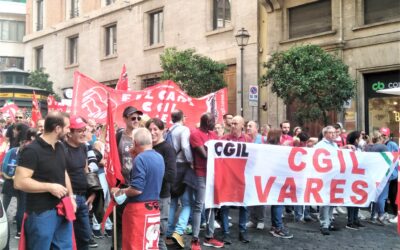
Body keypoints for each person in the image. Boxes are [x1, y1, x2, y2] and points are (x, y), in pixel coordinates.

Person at [14, 111, 77, 250]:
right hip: (41, 213)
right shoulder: (31, 150)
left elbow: (63, 172)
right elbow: (19, 182)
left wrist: (71, 197)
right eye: (67, 127)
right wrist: (49, 187)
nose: (69, 131)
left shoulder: (60, 146)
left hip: (62, 208)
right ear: (58, 128)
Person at [111, 128, 165, 250]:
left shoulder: (140, 159)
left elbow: (137, 189)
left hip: (138, 210)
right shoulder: (159, 157)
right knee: (150, 246)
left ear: (135, 143)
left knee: (135, 245)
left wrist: (120, 191)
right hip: (154, 208)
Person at [190, 113, 224, 250]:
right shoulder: (195, 134)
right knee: (199, 205)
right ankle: (195, 240)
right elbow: (204, 155)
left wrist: (209, 149)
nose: (214, 123)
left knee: (212, 206)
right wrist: (211, 150)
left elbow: (218, 152)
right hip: (201, 173)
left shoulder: (213, 135)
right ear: (205, 121)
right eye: (212, 121)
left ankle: (209, 237)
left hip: (213, 173)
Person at [64, 116, 97, 249]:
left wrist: (93, 192)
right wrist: (68, 197)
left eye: (84, 130)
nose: (84, 133)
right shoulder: (61, 148)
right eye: (79, 130)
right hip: (67, 200)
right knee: (66, 239)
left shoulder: (84, 147)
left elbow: (86, 170)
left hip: (83, 198)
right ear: (69, 133)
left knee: (85, 237)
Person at [113, 106, 143, 249]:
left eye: (138, 118)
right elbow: (113, 158)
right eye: (133, 118)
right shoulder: (119, 135)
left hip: (138, 186)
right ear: (124, 119)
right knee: (119, 220)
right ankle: (117, 246)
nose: (136, 120)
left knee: (135, 221)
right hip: (122, 184)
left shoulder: (142, 136)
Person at [166, 110, 196, 249]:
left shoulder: (168, 130)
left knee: (172, 202)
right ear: (182, 117)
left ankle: (168, 232)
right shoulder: (184, 129)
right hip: (183, 167)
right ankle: (178, 232)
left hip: (171, 167)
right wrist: (191, 161)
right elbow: (185, 146)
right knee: (187, 203)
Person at [145, 118, 176, 250]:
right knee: (148, 236)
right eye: (150, 129)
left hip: (161, 197)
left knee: (159, 236)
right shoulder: (148, 147)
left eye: (155, 129)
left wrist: (152, 175)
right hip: (147, 196)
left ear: (162, 130)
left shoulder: (167, 148)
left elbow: (171, 175)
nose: (152, 132)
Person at [220, 115, 251, 244]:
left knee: (244, 205)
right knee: (225, 205)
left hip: (243, 177)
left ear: (242, 126)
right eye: (232, 123)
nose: (233, 126)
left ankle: (242, 231)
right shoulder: (224, 139)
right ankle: (225, 232)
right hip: (228, 177)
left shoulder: (248, 140)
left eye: (235, 124)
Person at [246, 120, 267, 230]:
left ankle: (261, 220)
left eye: (250, 126)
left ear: (256, 128)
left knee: (260, 196)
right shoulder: (245, 139)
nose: (248, 127)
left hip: (260, 172)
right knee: (249, 196)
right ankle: (252, 219)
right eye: (247, 126)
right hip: (249, 171)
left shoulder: (263, 139)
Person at [345, 131, 365, 230]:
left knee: (357, 199)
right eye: (360, 138)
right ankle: (350, 221)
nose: (361, 140)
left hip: (358, 177)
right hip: (351, 177)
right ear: (356, 139)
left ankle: (355, 219)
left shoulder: (359, 149)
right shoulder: (349, 149)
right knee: (351, 200)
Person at [380, 127, 399, 223]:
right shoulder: (381, 144)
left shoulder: (392, 144)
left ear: (388, 135)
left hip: (393, 174)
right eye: (381, 135)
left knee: (393, 195)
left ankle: (397, 214)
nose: (383, 137)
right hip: (386, 175)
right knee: (387, 195)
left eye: (384, 135)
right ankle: (387, 213)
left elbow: (397, 156)